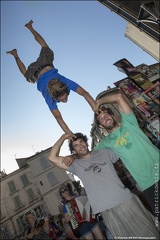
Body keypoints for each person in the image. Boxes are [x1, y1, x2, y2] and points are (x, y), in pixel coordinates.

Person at [48, 133, 159, 239]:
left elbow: (124, 149)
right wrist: (63, 137)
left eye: (81, 142)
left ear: (86, 142)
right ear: (73, 151)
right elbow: (52, 158)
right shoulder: (75, 165)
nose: (80, 146)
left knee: (150, 232)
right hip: (107, 212)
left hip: (125, 201)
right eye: (76, 145)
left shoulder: (104, 152)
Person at [6, 20, 97, 137]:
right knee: (26, 76)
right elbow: (58, 117)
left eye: (64, 99)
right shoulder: (51, 99)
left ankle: (29, 27)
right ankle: (15, 54)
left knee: (45, 46)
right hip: (35, 72)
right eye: (65, 98)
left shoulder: (64, 83)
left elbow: (84, 93)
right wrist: (69, 133)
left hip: (45, 63)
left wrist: (94, 107)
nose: (66, 100)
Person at [94, 92, 160, 220]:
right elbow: (87, 156)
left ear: (112, 115)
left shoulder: (128, 122)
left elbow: (118, 97)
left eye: (106, 114)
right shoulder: (105, 143)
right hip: (147, 183)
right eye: (102, 119)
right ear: (101, 126)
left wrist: (99, 102)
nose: (105, 118)